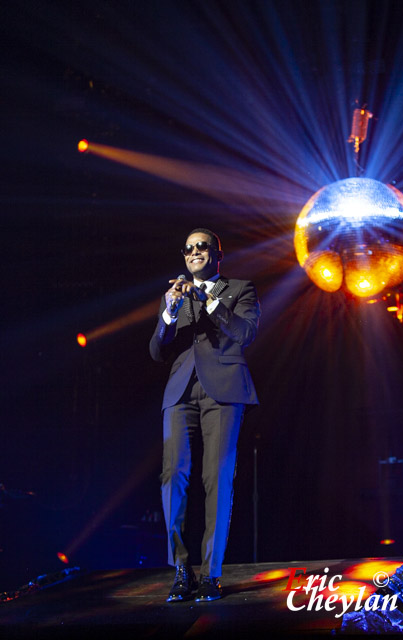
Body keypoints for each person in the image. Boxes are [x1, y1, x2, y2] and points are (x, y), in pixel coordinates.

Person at [149, 228, 260, 602]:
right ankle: (181, 569)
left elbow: (244, 333)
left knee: (217, 478)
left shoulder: (240, 289)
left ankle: (210, 574)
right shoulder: (176, 295)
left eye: (202, 247)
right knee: (172, 476)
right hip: (180, 392)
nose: (194, 252)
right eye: (189, 248)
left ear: (217, 254)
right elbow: (156, 351)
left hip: (224, 391)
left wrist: (210, 300)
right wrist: (169, 310)